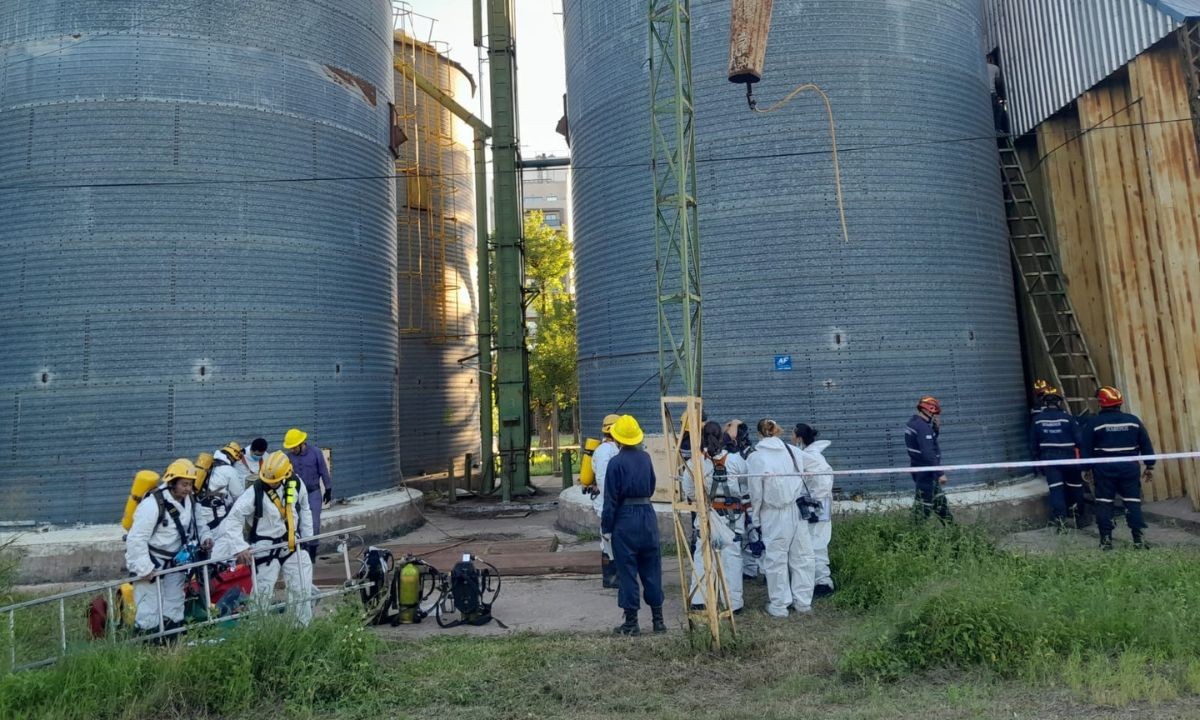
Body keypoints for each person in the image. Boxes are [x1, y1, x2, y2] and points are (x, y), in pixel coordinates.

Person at [214, 451, 316, 624]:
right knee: (262, 594)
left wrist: (307, 538)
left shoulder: (296, 483)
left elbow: (305, 508)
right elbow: (234, 518)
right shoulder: (256, 490)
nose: (271, 483)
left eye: (275, 480)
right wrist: (240, 547)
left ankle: (301, 629)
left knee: (301, 589)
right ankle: (257, 633)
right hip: (265, 547)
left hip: (292, 543)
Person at [124, 458, 212, 635]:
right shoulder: (152, 504)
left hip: (176, 563)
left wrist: (206, 537)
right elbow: (136, 538)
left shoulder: (191, 501)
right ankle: (148, 646)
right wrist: (144, 568)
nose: (188, 489)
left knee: (174, 604)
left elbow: (199, 523)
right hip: (152, 563)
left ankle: (171, 643)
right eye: (184, 484)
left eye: (190, 484)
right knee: (149, 609)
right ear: (172, 483)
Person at [601, 414, 666, 635]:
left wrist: (606, 528)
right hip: (647, 515)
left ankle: (631, 623)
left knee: (627, 570)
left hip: (625, 519)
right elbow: (652, 486)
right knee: (652, 568)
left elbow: (610, 500)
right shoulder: (646, 458)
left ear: (617, 438)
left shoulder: (615, 463)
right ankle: (658, 621)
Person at [747, 418, 816, 618]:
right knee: (802, 556)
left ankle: (779, 605)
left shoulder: (756, 457)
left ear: (759, 433)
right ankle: (803, 602)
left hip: (772, 513)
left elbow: (755, 492)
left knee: (776, 559)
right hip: (795, 509)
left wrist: (756, 517)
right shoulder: (793, 451)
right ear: (777, 431)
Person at [1080, 386, 1155, 550]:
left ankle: (1106, 541)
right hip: (1129, 468)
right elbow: (1146, 444)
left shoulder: (1094, 423)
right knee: (1133, 503)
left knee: (1104, 503)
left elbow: (1085, 448)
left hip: (1104, 469)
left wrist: (1086, 468)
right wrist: (1150, 466)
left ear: (1101, 404)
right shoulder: (1133, 421)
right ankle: (1139, 540)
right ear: (1119, 403)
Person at [682, 421, 744, 614]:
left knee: (702, 555)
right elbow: (745, 485)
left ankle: (700, 598)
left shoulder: (694, 462)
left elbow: (689, 491)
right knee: (731, 557)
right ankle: (733, 603)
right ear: (720, 437)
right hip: (731, 515)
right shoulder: (734, 460)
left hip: (706, 513)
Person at [1029, 387, 1085, 530]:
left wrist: (1037, 462)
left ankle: (1060, 521)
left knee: (1056, 489)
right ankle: (1079, 516)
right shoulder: (1068, 419)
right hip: (1069, 457)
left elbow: (1033, 443)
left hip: (1049, 459)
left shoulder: (1037, 420)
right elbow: (1079, 440)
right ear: (1059, 403)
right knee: (1075, 487)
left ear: (1045, 404)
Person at [795, 423, 835, 598]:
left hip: (817, 506)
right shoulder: (812, 455)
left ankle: (823, 583)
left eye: (792, 434)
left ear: (799, 437)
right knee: (816, 542)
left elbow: (823, 484)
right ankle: (820, 581)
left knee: (816, 543)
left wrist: (813, 500)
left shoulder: (810, 457)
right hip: (819, 504)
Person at [283, 428, 331, 561]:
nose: (292, 450)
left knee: (314, 523)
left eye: (293, 447)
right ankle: (301, 552)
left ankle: (312, 553)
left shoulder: (316, 452)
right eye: (290, 448)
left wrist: (328, 488)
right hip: (296, 494)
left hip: (313, 492)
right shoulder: (288, 457)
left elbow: (323, 471)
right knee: (296, 523)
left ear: (301, 443)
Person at [724, 420, 762, 584]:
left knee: (756, 534)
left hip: (750, 499)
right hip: (739, 500)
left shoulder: (751, 453)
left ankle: (765, 570)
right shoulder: (733, 452)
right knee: (744, 537)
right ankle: (749, 569)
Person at [905, 395, 952, 523]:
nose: (935, 416)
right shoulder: (923, 427)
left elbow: (925, 443)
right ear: (927, 410)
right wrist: (940, 473)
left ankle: (953, 531)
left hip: (921, 470)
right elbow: (928, 452)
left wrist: (935, 430)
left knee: (940, 503)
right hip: (926, 473)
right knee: (923, 508)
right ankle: (913, 536)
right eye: (934, 413)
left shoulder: (914, 423)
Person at [587, 414, 621, 589]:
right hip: (608, 504)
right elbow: (602, 479)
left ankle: (615, 575)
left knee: (612, 538)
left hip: (611, 503)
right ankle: (610, 578)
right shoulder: (605, 451)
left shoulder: (612, 448)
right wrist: (612, 503)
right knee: (607, 539)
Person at [197, 441, 248, 532]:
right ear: (232, 457)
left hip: (199, 508)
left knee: (203, 536)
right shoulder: (229, 470)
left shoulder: (210, 465)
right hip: (215, 513)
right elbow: (238, 495)